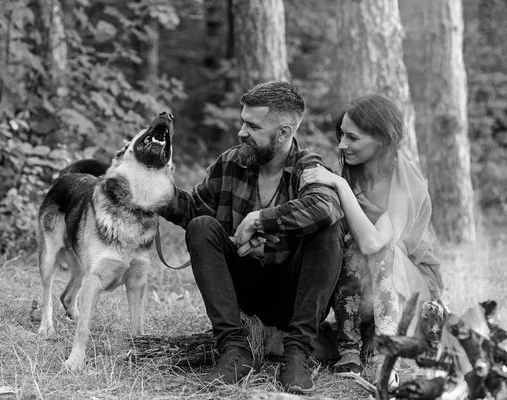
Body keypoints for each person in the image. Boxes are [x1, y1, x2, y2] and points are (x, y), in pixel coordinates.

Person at [161, 81, 345, 394]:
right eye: (243, 121)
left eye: (252, 125)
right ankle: (235, 350)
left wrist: (260, 220)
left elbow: (325, 206)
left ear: (284, 133)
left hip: (292, 295)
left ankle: (298, 352)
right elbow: (192, 208)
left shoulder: (306, 166)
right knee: (203, 226)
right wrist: (147, 185)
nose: (242, 132)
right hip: (243, 291)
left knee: (329, 227)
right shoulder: (232, 161)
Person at [301, 94, 444, 384]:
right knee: (347, 246)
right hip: (369, 293)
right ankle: (350, 347)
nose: (342, 144)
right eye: (341, 134)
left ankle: (386, 357)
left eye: (352, 137)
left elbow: (374, 243)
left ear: (381, 139)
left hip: (412, 290)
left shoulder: (407, 185)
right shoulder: (356, 173)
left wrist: (339, 185)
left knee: (380, 250)